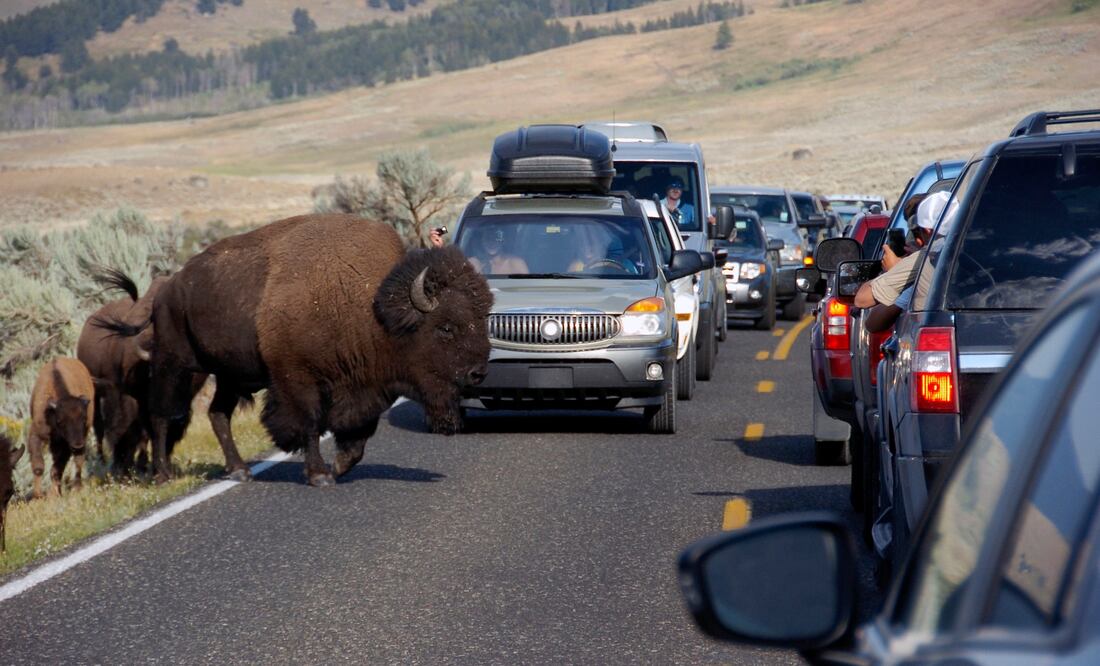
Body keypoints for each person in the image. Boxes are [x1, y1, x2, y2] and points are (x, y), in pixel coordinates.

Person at [855, 191, 951, 309]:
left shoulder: (925, 257)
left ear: (927, 230)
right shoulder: (968, 249)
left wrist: (895, 269)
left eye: (917, 232)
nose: (918, 241)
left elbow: (862, 300)